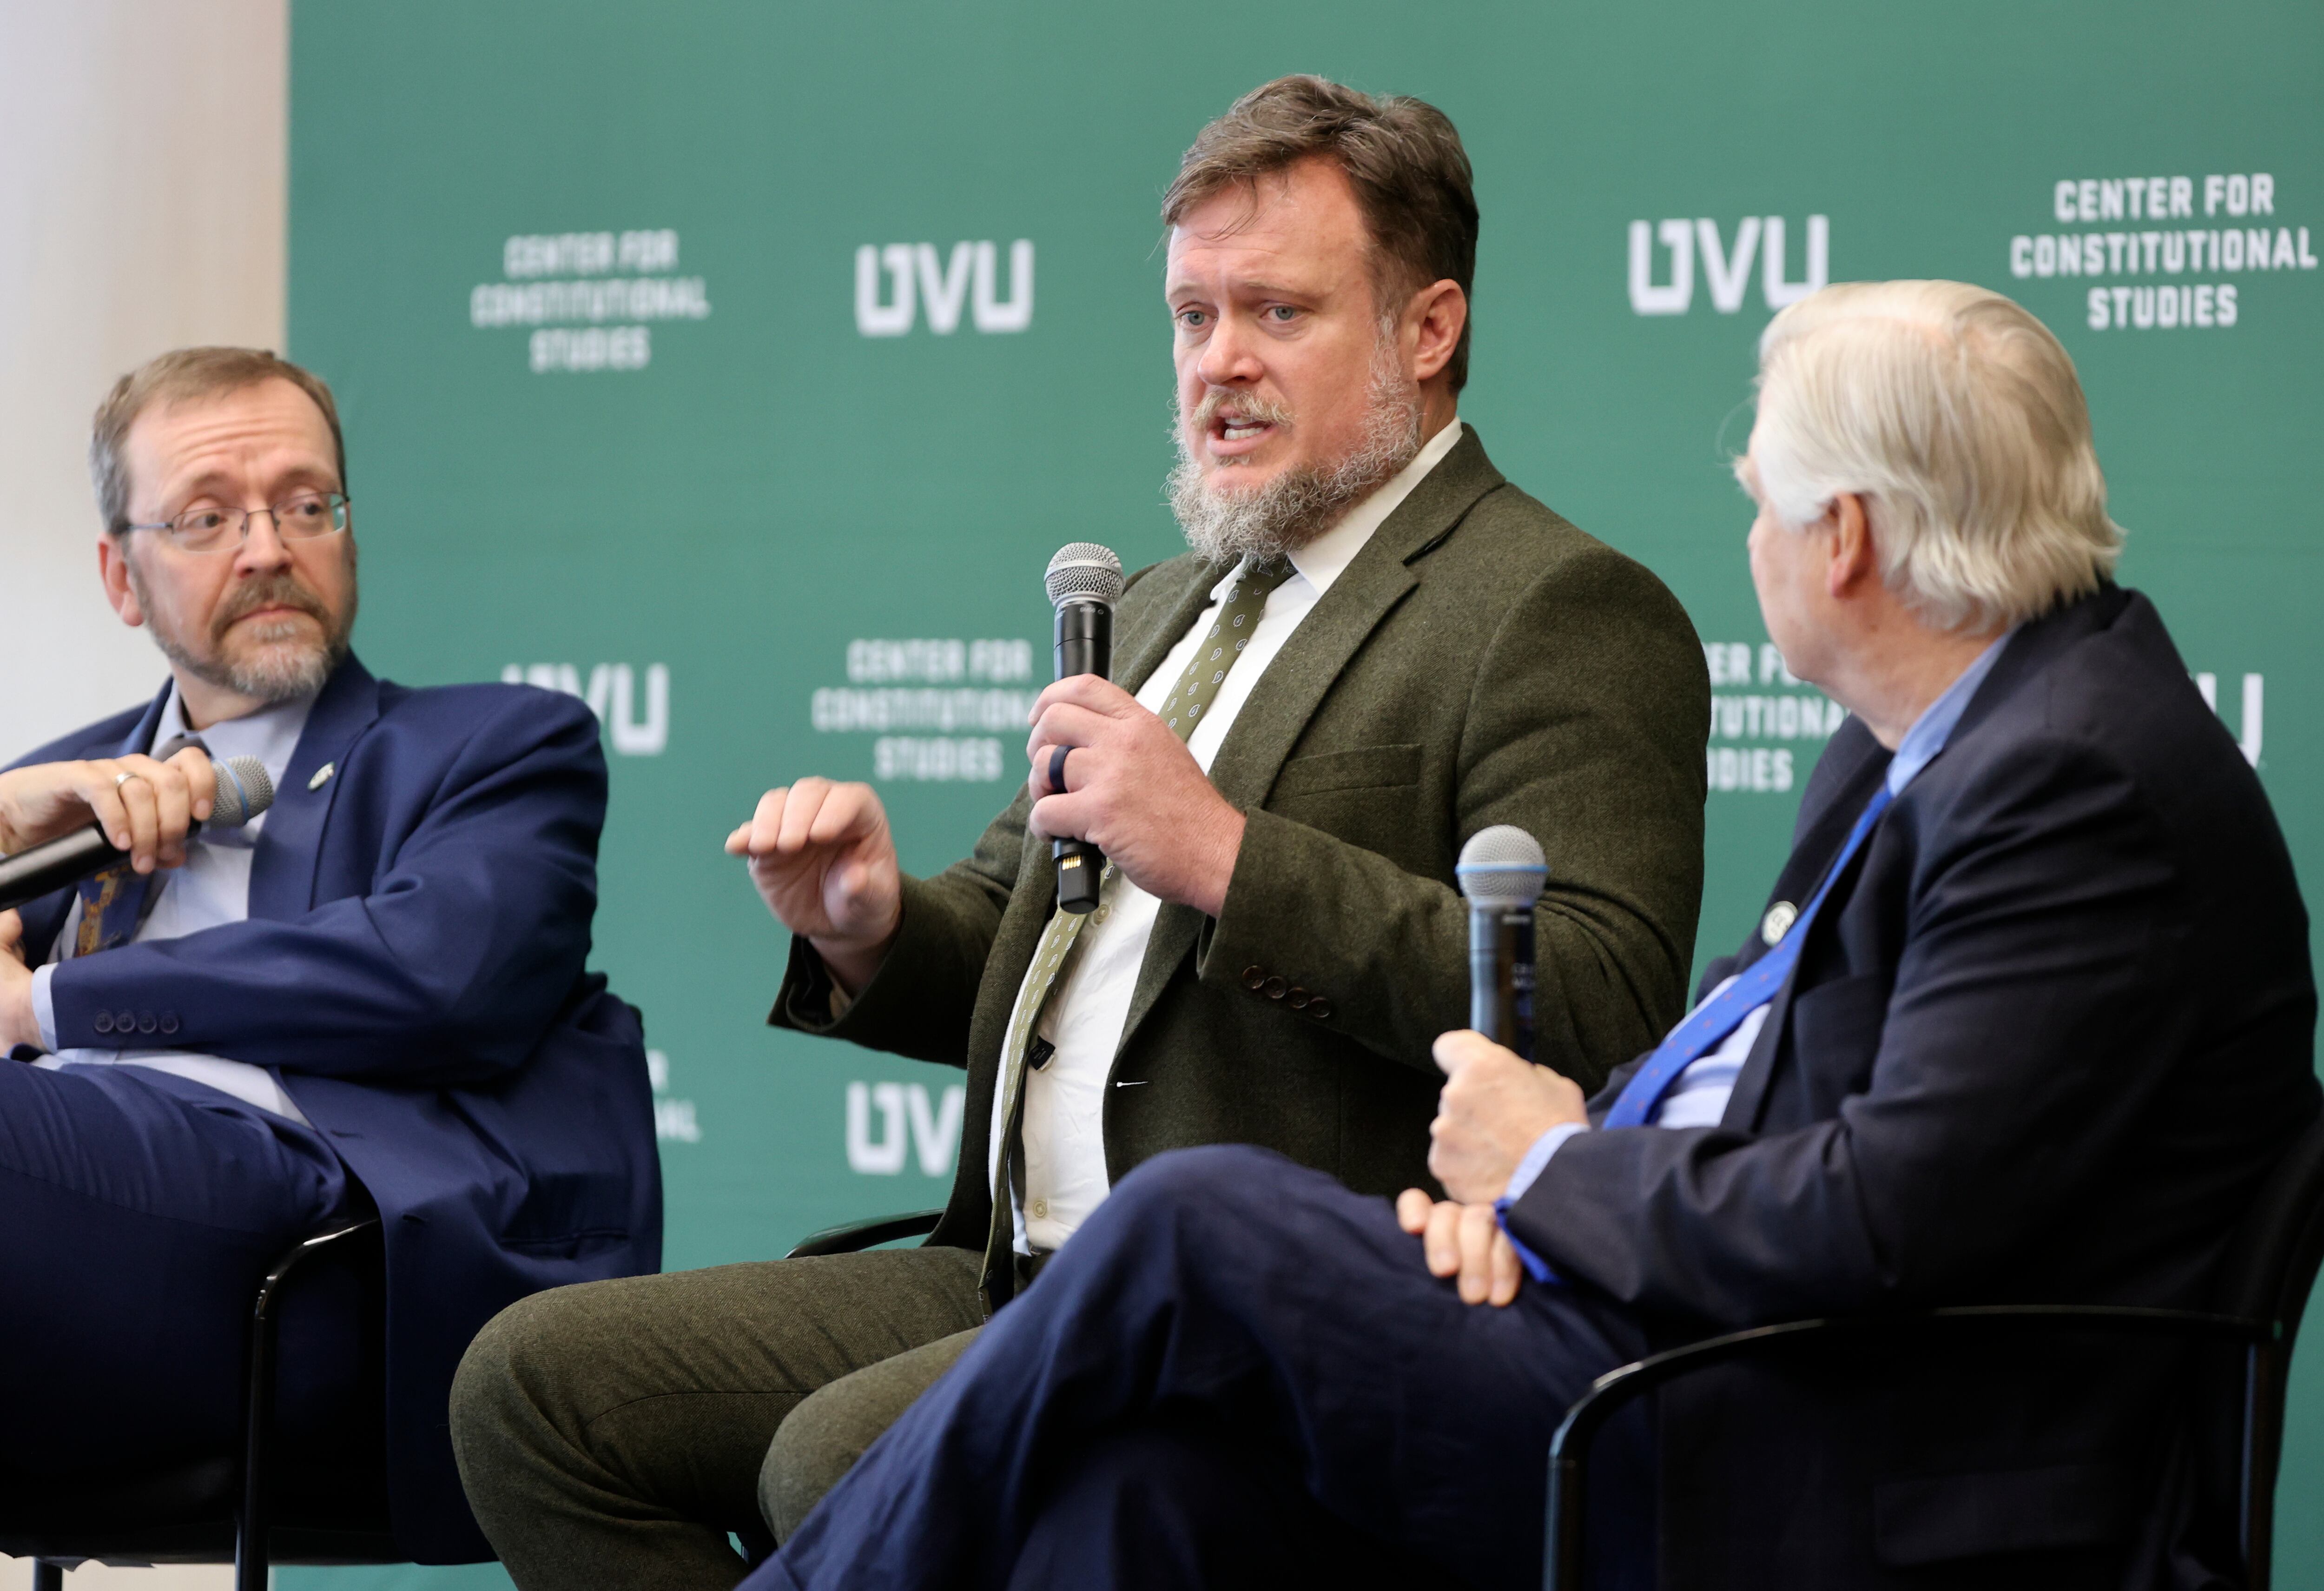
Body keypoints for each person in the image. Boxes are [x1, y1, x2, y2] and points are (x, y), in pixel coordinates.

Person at [744, 279, 2320, 1591]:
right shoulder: (1939, 733)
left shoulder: (2073, 785)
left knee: (1196, 1226)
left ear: (1842, 539)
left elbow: (1891, 1214)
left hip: (1836, 1454)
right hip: (1684, 1345)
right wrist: (1545, 1196)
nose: (1748, 530)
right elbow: (1751, 1067)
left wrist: (1558, 1176)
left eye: (1761, 496)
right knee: (1135, 1505)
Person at [449, 75, 1709, 1588]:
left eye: (1277, 314)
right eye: (1192, 317)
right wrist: (871, 922)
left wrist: (1227, 855)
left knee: (830, 1455)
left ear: (1426, 331)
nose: (1218, 366)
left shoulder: (1558, 605)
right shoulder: (1168, 603)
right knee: (531, 1391)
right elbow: (1014, 923)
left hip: (1255, 1316)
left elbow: (1593, 1007)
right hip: (1001, 1268)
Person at [0, 347, 660, 1561]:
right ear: (121, 575)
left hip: (319, 1258)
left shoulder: (494, 745)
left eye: (306, 504)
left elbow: (433, 978)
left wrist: (50, 1001)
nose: (267, 548)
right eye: (207, 517)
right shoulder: (57, 784)